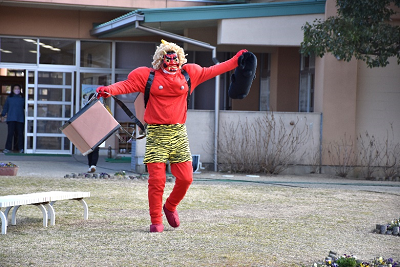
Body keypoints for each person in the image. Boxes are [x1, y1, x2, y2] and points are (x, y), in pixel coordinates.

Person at [97, 39, 247, 233]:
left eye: (174, 60)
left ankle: (170, 206)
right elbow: (127, 85)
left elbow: (213, 70)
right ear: (160, 60)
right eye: (166, 61)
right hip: (156, 135)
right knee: (156, 181)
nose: (171, 65)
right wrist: (108, 90)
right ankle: (156, 221)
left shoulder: (189, 74)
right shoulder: (147, 77)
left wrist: (237, 60)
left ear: (180, 60)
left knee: (186, 178)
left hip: (178, 133)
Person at [1, 84, 25, 154]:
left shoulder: (22, 98)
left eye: (18, 88)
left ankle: (21, 148)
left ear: (20, 90)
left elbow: (25, 107)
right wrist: (3, 115)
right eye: (15, 88)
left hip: (20, 119)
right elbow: (5, 107)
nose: (17, 90)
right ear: (13, 89)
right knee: (10, 134)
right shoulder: (9, 98)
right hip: (11, 118)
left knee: (20, 134)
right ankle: (7, 148)